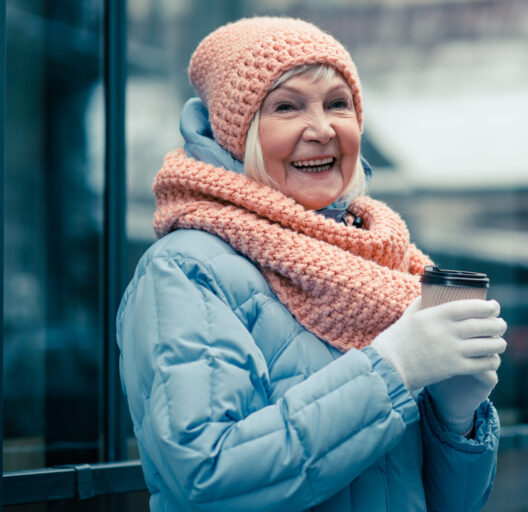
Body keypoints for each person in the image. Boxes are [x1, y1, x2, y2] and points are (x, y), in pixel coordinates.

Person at [117, 16, 507, 512]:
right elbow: (205, 478)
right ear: (239, 132)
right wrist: (394, 369)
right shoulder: (186, 269)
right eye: (286, 106)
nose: (322, 130)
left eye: (338, 104)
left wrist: (455, 420)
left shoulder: (384, 267)